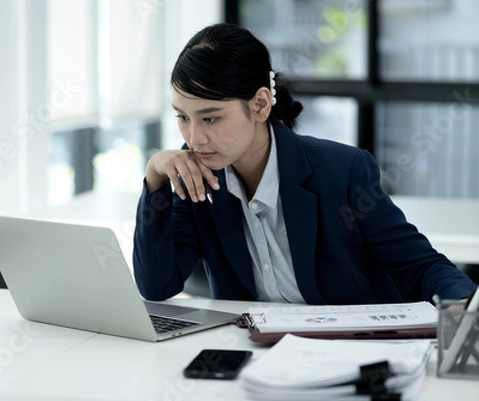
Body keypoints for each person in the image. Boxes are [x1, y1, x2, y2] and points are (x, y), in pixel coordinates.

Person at [132, 23, 477, 304]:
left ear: (260, 105)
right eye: (182, 117)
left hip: (353, 354)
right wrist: (154, 178)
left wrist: (463, 308)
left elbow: (420, 266)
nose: (195, 138)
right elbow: (157, 286)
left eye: (210, 118)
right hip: (250, 360)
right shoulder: (196, 176)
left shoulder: (343, 171)